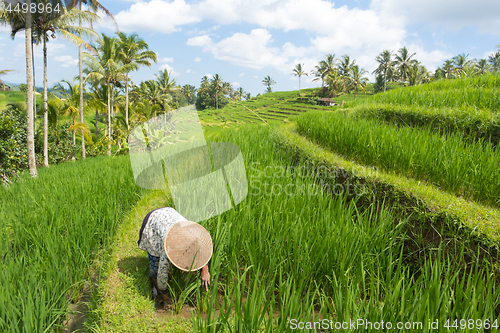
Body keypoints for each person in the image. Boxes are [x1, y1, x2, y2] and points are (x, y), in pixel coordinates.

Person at [138, 207, 212, 303]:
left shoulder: (195, 237)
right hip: (153, 222)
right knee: (155, 266)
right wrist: (166, 297)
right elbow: (161, 275)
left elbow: (205, 250)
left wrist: (205, 271)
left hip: (169, 214)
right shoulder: (169, 248)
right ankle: (159, 295)